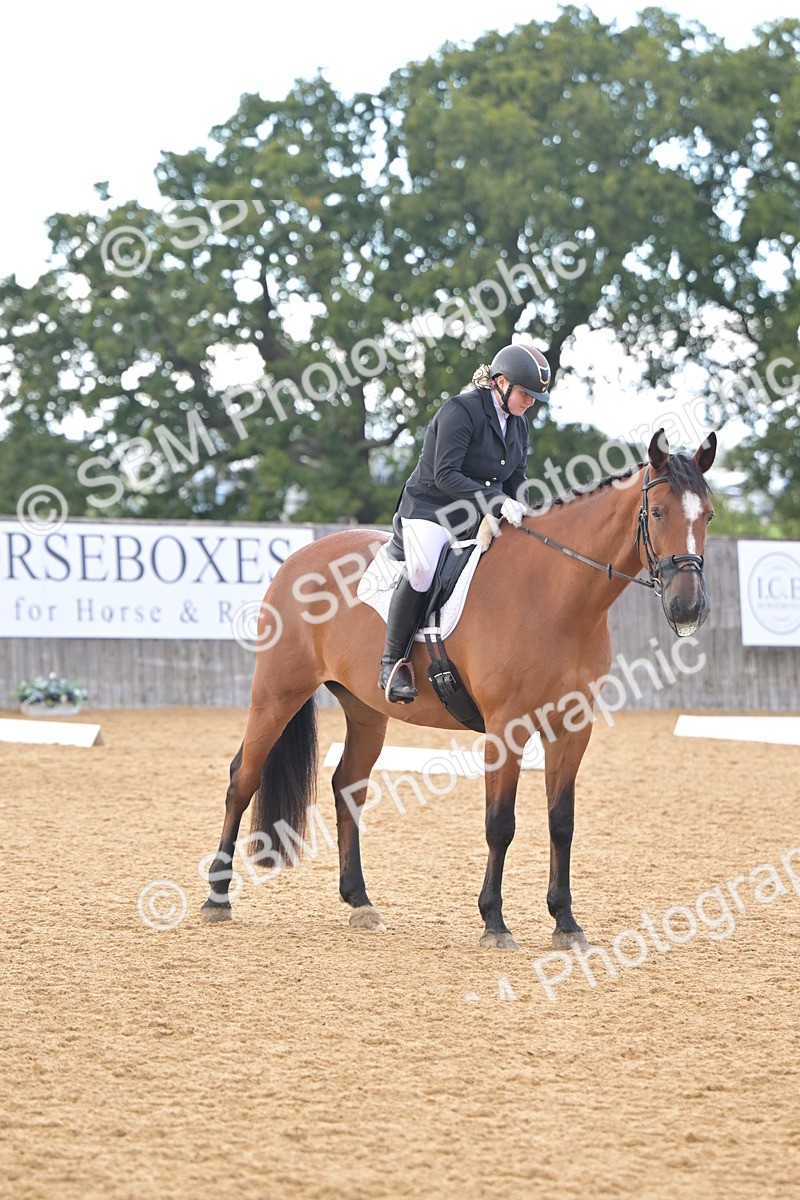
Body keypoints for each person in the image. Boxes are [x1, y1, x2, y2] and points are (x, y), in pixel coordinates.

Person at [378, 341, 551, 703]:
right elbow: (445, 474)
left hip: (476, 515)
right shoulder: (461, 410)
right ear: (501, 383)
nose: (529, 402)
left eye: (534, 397)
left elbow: (516, 478)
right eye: (525, 393)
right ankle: (392, 663)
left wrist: (532, 511)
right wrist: (497, 500)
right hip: (431, 509)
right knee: (423, 571)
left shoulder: (518, 425)